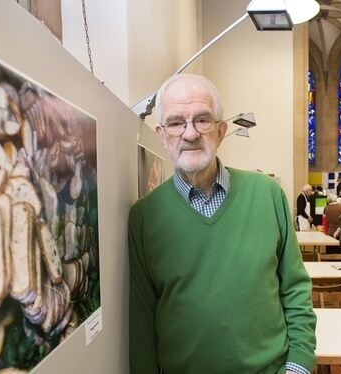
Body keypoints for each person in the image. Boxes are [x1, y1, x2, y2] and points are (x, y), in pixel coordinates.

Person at [128, 74, 316, 374]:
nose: (189, 134)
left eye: (202, 120)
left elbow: (294, 288)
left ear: (221, 130)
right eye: (176, 123)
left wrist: (299, 366)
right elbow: (141, 317)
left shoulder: (267, 195)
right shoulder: (143, 217)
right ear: (161, 135)